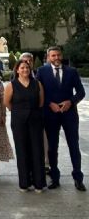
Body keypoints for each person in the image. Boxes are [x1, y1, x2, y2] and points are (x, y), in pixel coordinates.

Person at [36, 46, 86, 191]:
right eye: (53, 56)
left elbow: (81, 92)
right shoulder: (41, 71)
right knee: (52, 148)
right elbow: (38, 92)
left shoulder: (72, 71)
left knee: (74, 146)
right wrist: (49, 104)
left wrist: (71, 101)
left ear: (61, 56)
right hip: (50, 114)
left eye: (58, 55)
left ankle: (78, 178)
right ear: (48, 57)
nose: (56, 58)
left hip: (69, 114)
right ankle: (55, 178)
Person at [4, 59, 45, 192]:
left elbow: (41, 102)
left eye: (27, 68)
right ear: (17, 70)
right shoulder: (11, 85)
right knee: (22, 151)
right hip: (19, 121)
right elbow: (7, 103)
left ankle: (39, 183)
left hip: (35, 120)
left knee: (37, 150)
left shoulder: (37, 84)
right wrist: (18, 112)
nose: (25, 70)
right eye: (22, 68)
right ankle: (25, 183)